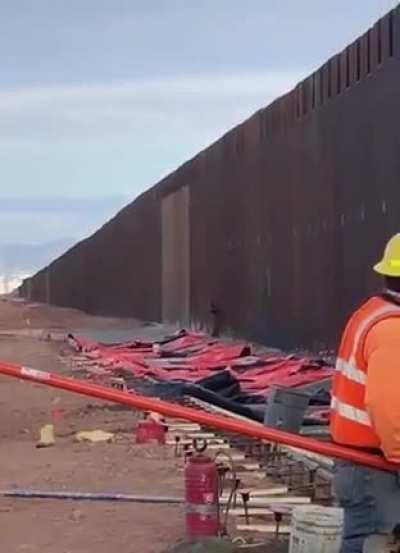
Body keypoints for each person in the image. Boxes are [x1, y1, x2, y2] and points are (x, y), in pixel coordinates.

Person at [331, 233, 400, 553]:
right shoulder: (392, 330)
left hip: (361, 465)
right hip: (374, 468)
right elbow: (388, 406)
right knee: (373, 543)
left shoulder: (373, 312)